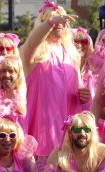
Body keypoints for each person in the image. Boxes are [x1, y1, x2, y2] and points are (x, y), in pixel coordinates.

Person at [20, 0, 86, 157]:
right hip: (42, 139)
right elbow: (31, 42)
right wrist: (51, 22)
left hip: (69, 136)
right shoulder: (34, 54)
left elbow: (79, 86)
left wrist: (83, 94)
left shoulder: (72, 55)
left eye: (62, 20)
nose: (59, 23)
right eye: (53, 20)